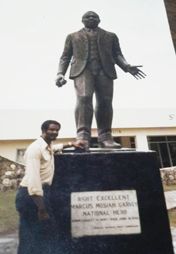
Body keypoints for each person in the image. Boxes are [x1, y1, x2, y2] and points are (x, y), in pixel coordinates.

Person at [56, 11, 146, 149]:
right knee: (84, 98)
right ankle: (82, 136)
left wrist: (126, 66)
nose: (91, 18)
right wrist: (60, 73)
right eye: (88, 16)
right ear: (82, 20)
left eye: (94, 16)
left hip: (105, 70)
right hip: (82, 70)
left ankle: (105, 137)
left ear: (99, 20)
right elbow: (65, 57)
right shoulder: (72, 36)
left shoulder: (110, 36)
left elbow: (117, 54)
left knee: (105, 101)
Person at [15, 120, 82, 254]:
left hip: (39, 193)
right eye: (51, 130)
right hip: (31, 196)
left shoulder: (47, 145)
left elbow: (54, 148)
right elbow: (34, 182)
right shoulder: (35, 149)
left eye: (57, 130)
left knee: (38, 233)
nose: (55, 132)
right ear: (44, 130)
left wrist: (70, 144)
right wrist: (42, 208)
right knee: (31, 233)